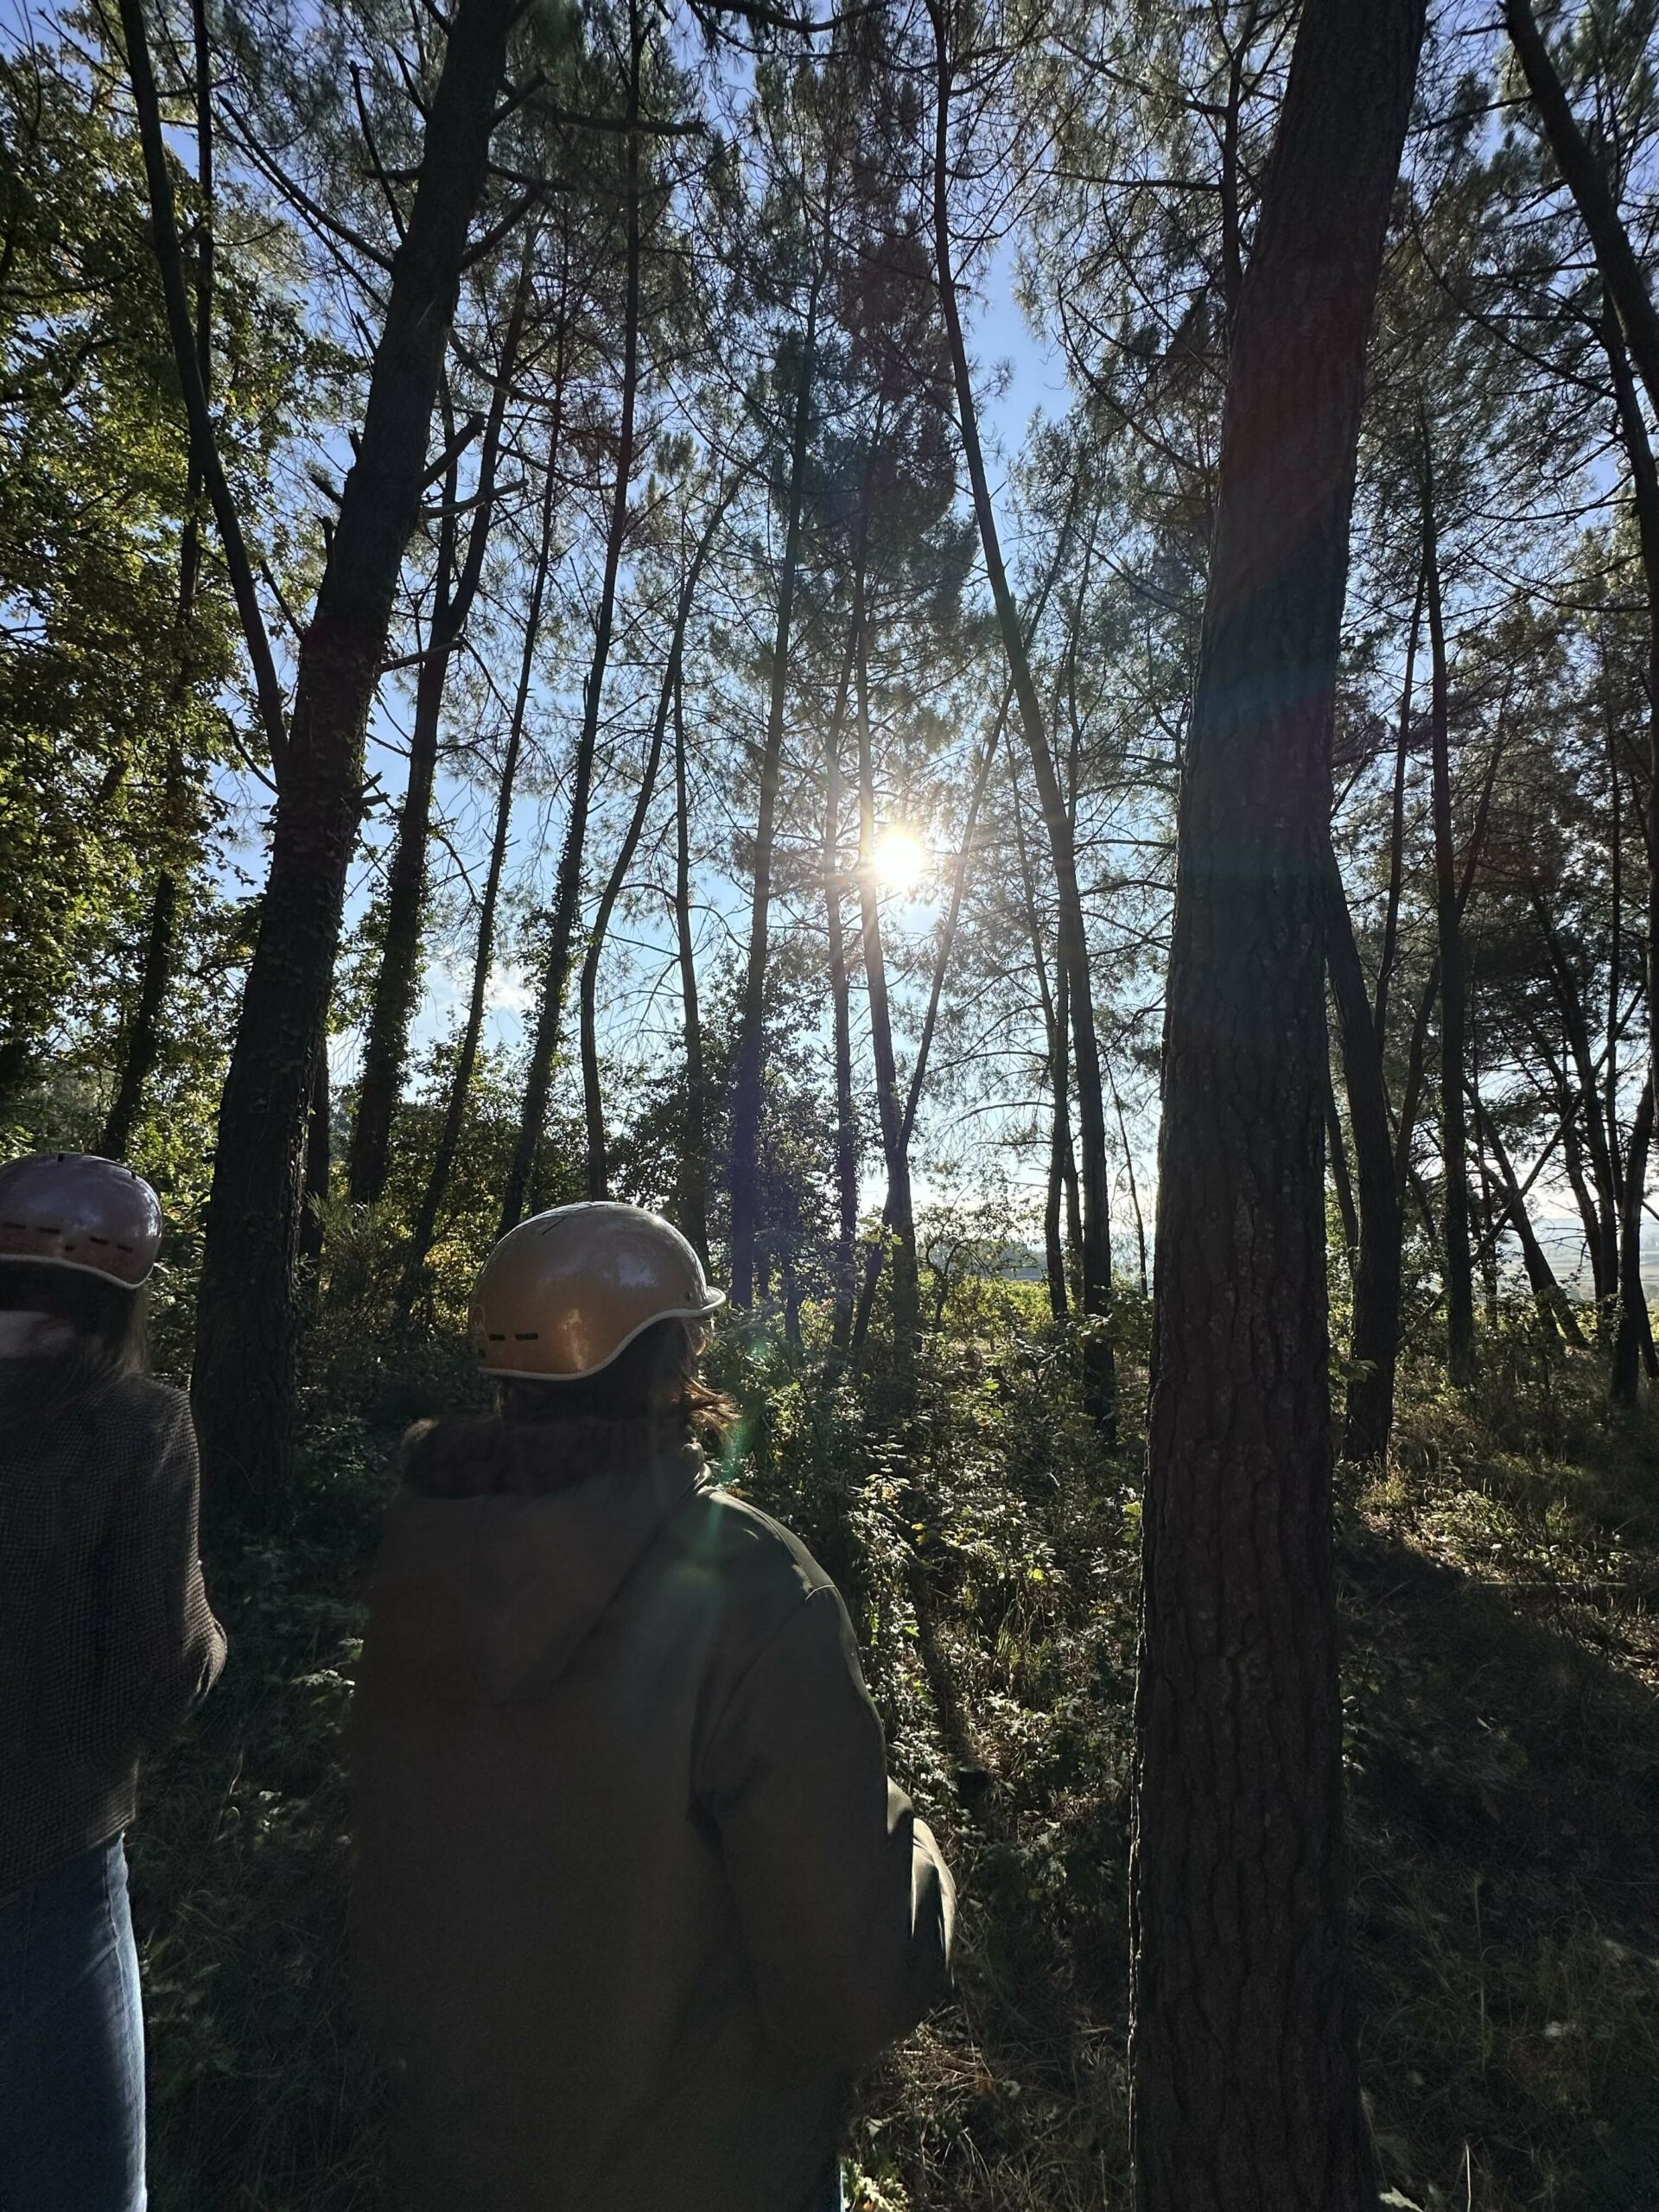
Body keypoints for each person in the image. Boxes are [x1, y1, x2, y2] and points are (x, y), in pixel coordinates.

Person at [348, 1200, 955, 2212]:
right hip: (700, 2171)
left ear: (504, 1371)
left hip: (454, 2157)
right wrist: (926, 1857)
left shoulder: (425, 1552)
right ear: (677, 1360)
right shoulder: (753, 1589)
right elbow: (852, 1981)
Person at [0, 1152, 226, 2212]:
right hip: (46, 1865)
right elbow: (163, 1678)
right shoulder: (138, 1425)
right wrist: (214, 1631)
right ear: (131, 1284)